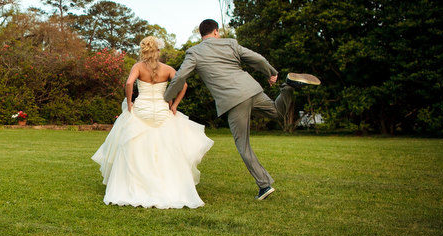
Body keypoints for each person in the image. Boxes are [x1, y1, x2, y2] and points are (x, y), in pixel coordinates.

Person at [163, 19, 320, 201]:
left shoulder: (194, 52)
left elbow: (180, 76)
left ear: (202, 34)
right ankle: (288, 87)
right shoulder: (231, 43)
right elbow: (258, 58)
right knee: (278, 113)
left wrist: (166, 98)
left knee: (243, 145)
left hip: (233, 101)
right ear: (216, 31)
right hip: (251, 89)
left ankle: (264, 185)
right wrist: (271, 72)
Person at [92, 36, 213, 208]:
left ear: (143, 51)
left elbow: (129, 83)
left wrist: (129, 103)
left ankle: (134, 186)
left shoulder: (138, 67)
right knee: (166, 148)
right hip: (163, 112)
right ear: (158, 51)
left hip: (141, 110)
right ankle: (167, 186)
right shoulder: (167, 69)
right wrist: (174, 105)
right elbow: (183, 85)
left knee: (134, 147)